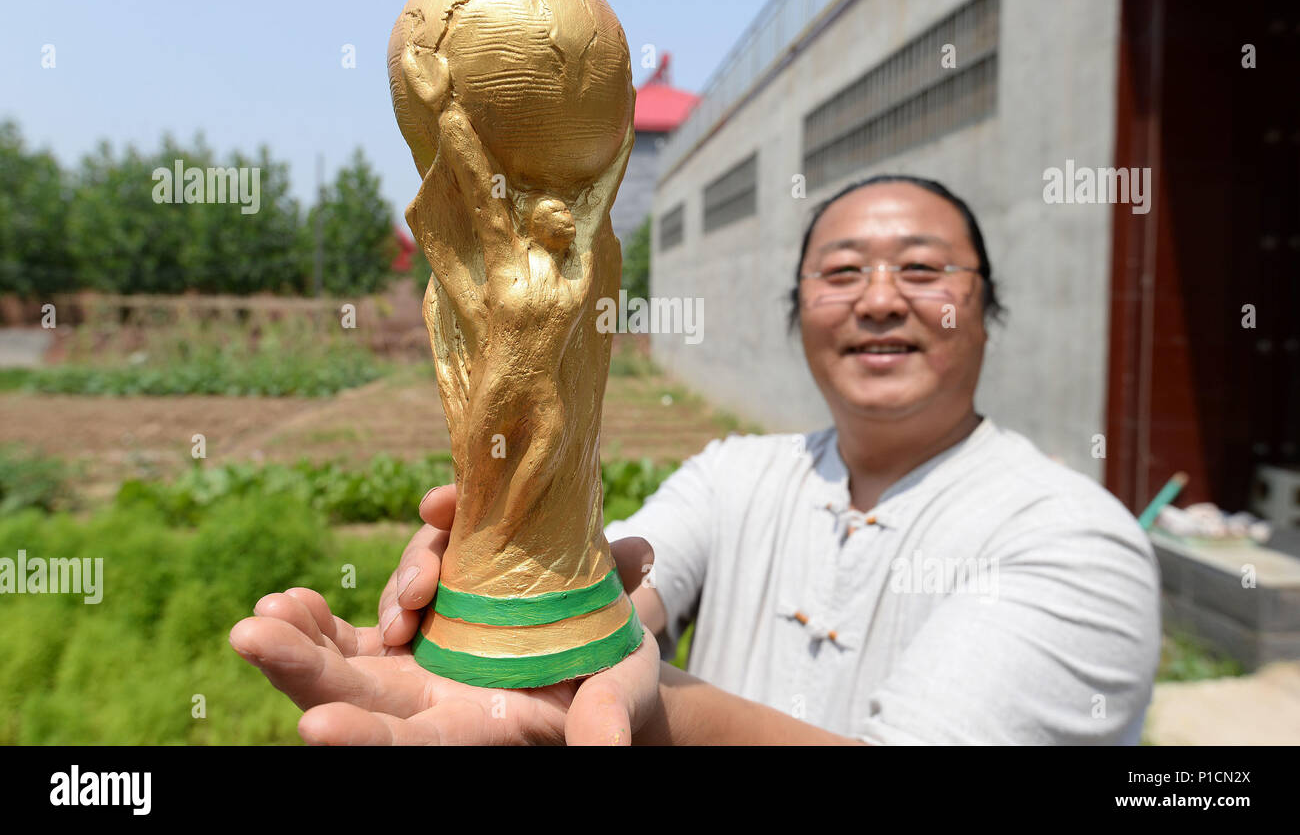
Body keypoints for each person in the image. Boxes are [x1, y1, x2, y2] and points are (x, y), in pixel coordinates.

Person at [230, 175, 1161, 745]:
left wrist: (626, 705)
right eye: (840, 273)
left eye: (923, 270)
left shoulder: (1074, 537)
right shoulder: (738, 475)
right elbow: (628, 580)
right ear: (799, 309)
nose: (879, 300)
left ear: (986, 306)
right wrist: (512, 572)